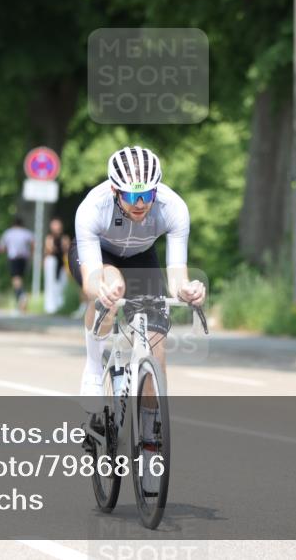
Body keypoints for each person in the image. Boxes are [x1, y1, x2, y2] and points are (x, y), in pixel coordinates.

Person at [71, 145, 206, 402]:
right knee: (112, 287)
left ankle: (150, 435)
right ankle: (93, 369)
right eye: (132, 197)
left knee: (156, 349)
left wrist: (188, 290)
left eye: (147, 194)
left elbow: (178, 277)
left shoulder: (173, 207)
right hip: (101, 256)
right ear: (114, 190)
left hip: (141, 257)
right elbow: (92, 281)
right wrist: (102, 292)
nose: (141, 204)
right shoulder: (92, 208)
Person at [0, 217, 34, 313]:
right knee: (21, 278)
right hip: (24, 258)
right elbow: (33, 243)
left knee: (15, 279)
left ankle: (22, 295)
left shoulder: (8, 233)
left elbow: (1, 248)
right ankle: (21, 305)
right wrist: (31, 253)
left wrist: (7, 249)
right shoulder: (26, 232)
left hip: (13, 258)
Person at [43, 217, 70, 314]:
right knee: (51, 284)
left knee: (62, 285)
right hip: (52, 262)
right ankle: (50, 306)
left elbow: (67, 251)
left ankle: (60, 305)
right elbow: (48, 250)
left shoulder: (64, 238)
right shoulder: (49, 238)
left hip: (62, 264)